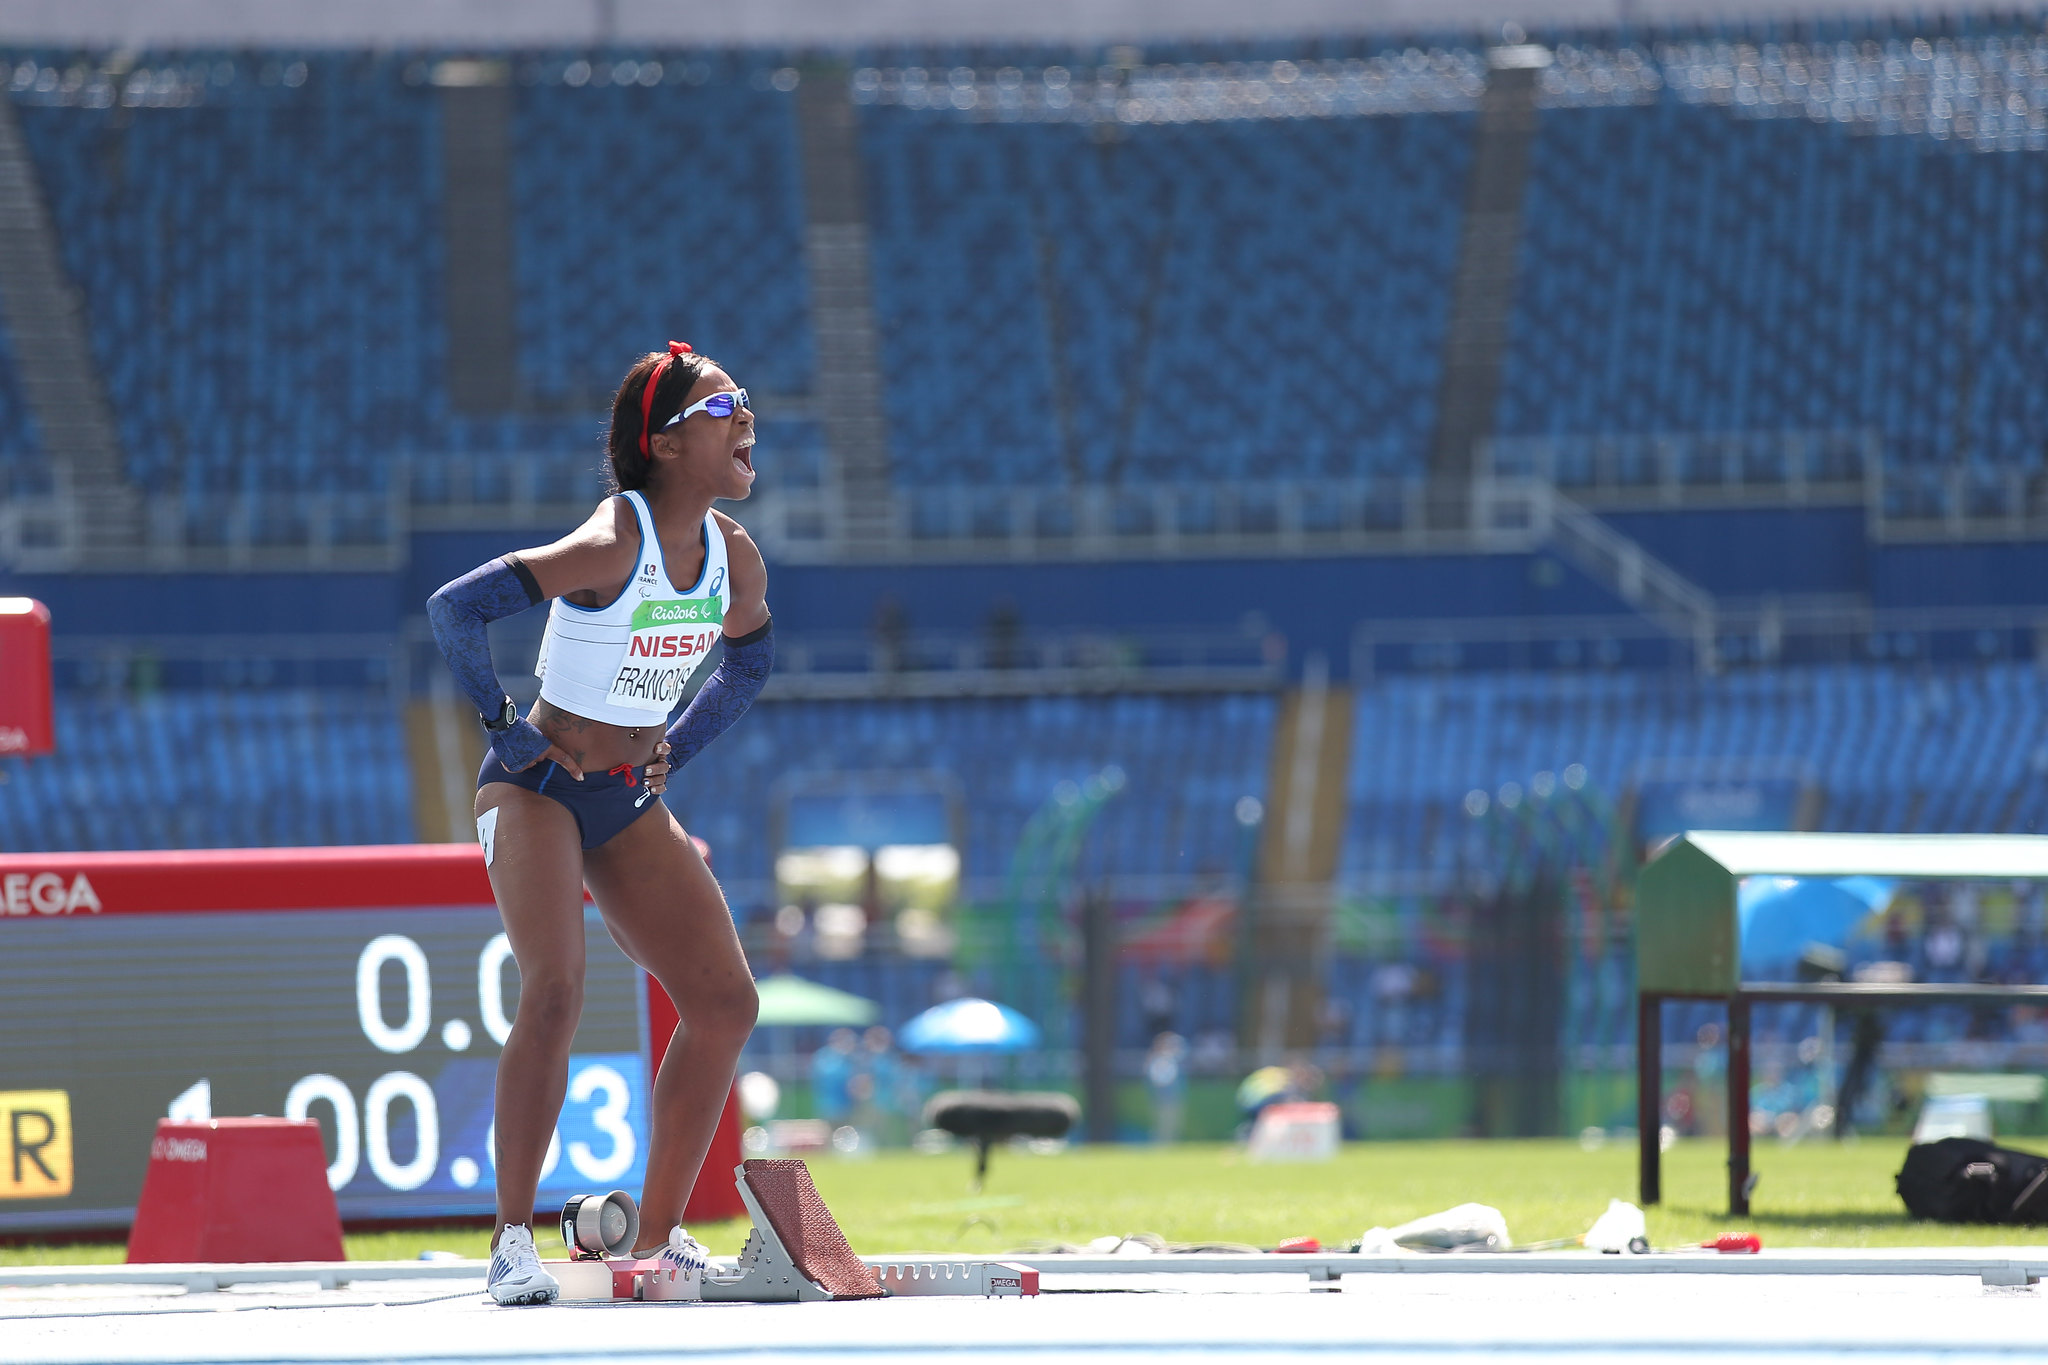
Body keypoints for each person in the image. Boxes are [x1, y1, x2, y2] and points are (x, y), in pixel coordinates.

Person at [425, 342, 770, 1305]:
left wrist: (676, 750)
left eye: (745, 401)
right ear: (662, 443)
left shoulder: (735, 557)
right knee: (555, 992)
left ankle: (655, 1241)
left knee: (727, 1003)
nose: (746, 416)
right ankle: (510, 1240)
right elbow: (455, 610)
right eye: (721, 407)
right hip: (535, 788)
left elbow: (748, 666)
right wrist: (503, 726)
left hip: (626, 794)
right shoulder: (616, 539)